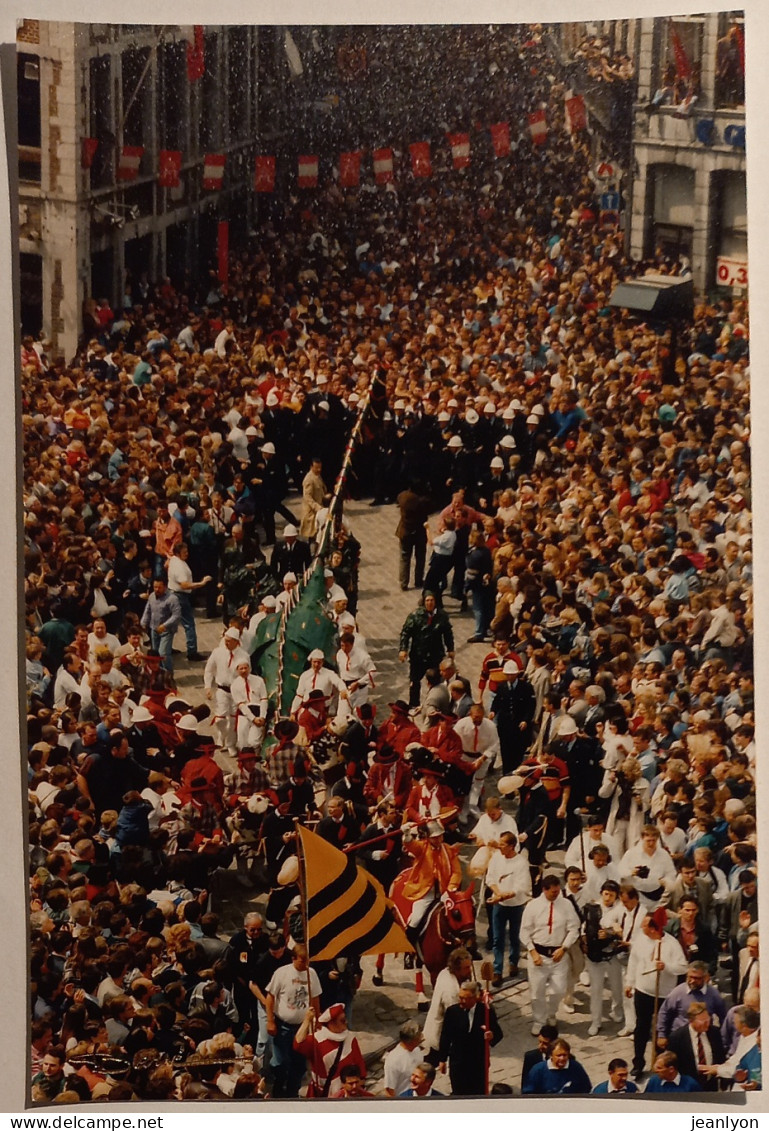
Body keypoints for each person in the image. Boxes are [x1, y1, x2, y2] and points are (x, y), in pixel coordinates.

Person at [626, 907, 688, 1079]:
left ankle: (659, 1062)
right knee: (641, 1027)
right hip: (643, 990)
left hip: (664, 994)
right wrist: (629, 982)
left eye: (644, 925)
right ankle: (638, 1063)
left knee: (662, 1029)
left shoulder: (671, 944)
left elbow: (683, 966)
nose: (641, 928)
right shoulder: (640, 940)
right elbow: (633, 962)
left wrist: (666, 966)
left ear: (654, 928)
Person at [519, 874, 581, 1033]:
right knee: (536, 992)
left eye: (558, 891)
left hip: (559, 956)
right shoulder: (532, 906)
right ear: (544, 890)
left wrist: (564, 947)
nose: (556, 894)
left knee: (559, 990)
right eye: (553, 892)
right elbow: (524, 932)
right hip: (538, 955)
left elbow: (574, 928)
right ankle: (539, 1021)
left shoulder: (566, 905)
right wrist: (532, 952)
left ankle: (551, 1014)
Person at [265, 943, 322, 1098]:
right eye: (301, 961)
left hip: (302, 1028)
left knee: (299, 1064)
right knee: (281, 1062)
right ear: (293, 959)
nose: (304, 964)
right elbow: (270, 997)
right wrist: (270, 1021)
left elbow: (315, 998)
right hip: (283, 1026)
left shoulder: (312, 974)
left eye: (307, 961)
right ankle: (278, 1088)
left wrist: (318, 1019)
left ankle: (292, 1092)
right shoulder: (282, 973)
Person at [437, 979, 502, 1096]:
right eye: (460, 997)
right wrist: (442, 1059)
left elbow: (498, 1034)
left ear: (474, 998)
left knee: (478, 1093)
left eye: (464, 998)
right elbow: (446, 1035)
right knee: (458, 1093)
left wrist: (491, 1036)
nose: (460, 1001)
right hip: (458, 1061)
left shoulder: (485, 1011)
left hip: (478, 1062)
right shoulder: (453, 1011)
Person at [485, 832, 531, 984]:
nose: (500, 846)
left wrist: (503, 896)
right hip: (500, 905)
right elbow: (490, 878)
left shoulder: (521, 863)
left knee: (515, 936)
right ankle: (497, 969)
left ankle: (513, 963)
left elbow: (521, 887)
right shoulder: (496, 858)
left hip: (516, 905)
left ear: (512, 846)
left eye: (503, 844)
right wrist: (498, 895)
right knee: (497, 938)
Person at [293, 1003, 367, 1098]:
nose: (346, 1022)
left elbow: (359, 1064)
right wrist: (307, 1020)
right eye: (342, 1020)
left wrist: (359, 1084)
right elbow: (298, 1044)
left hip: (347, 1092)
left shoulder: (350, 1038)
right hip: (325, 1093)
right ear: (331, 1023)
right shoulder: (317, 1040)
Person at [399, 593, 455, 708]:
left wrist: (450, 648)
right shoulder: (415, 616)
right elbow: (406, 633)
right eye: (427, 600)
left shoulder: (442, 616)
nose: (430, 603)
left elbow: (448, 633)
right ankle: (414, 704)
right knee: (414, 681)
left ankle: (435, 702)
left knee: (436, 681)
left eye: (432, 600)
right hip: (418, 655)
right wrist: (403, 649)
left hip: (435, 654)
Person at [203, 628, 251, 755]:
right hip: (222, 689)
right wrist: (208, 687)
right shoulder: (218, 652)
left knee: (234, 719)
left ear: (236, 641)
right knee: (221, 718)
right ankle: (221, 737)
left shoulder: (243, 655)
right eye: (225, 640)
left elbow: (247, 673)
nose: (226, 643)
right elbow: (209, 669)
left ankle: (230, 744)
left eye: (229, 641)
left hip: (236, 691)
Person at [666, 1002, 726, 1091]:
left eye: (708, 1020)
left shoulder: (714, 1032)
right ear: (691, 1020)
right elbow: (672, 1065)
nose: (707, 1024)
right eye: (703, 1021)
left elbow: (721, 1057)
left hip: (710, 1086)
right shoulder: (677, 1037)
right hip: (687, 1088)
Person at [166, 542, 210, 661]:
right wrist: (201, 583)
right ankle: (192, 651)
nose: (187, 554)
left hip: (171, 593)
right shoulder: (179, 566)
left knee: (171, 623)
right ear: (178, 553)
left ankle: (167, 647)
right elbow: (185, 585)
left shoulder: (174, 560)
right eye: (184, 552)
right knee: (189, 624)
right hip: (180, 596)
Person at [522, 1037, 592, 1095]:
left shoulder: (576, 1067)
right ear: (550, 1055)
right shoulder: (537, 1070)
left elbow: (586, 1089)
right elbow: (528, 1093)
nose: (562, 1058)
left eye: (564, 1055)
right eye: (558, 1055)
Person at [140, 577, 181, 673]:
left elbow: (176, 615)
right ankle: (157, 673)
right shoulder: (151, 596)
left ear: (165, 587)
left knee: (163, 653)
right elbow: (148, 610)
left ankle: (169, 674)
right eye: (155, 587)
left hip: (167, 631)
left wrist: (165, 625)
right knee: (155, 654)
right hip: (154, 629)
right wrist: (143, 623)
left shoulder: (172, 599)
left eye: (159, 587)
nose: (156, 590)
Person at [395, 483, 431, 591]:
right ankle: (418, 580)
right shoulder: (421, 502)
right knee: (420, 557)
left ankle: (403, 582)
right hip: (419, 532)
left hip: (405, 531)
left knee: (404, 557)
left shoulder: (402, 496)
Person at [382, 1020, 425, 1097]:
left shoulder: (417, 1050)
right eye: (419, 1036)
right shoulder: (393, 1060)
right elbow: (389, 1090)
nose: (422, 1037)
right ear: (412, 1040)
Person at [520, 1024, 559, 1092]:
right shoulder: (531, 1057)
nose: (540, 1046)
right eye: (540, 1042)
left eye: (545, 1044)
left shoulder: (564, 1058)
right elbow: (526, 1082)